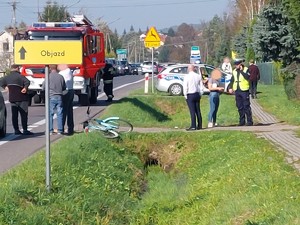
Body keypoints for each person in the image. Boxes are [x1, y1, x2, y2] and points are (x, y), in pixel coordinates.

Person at [0, 64, 33, 135]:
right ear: (17, 68)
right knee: (23, 114)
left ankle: (16, 130)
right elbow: (27, 82)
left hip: (12, 98)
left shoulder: (7, 77)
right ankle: (25, 130)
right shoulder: (20, 76)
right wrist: (25, 88)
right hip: (22, 98)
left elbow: (1, 82)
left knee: (14, 115)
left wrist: (5, 87)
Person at [228, 60, 253, 126]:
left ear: (240, 65)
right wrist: (230, 87)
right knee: (239, 107)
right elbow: (232, 80)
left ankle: (249, 121)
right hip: (237, 90)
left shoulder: (246, 70)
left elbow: (248, 77)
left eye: (237, 65)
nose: (236, 66)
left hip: (244, 90)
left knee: (246, 106)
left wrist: (241, 71)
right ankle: (242, 121)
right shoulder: (234, 71)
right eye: (235, 65)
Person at [42, 64, 66, 135]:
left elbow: (43, 87)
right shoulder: (61, 77)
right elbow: (64, 87)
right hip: (59, 96)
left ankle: (50, 130)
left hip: (51, 96)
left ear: (50, 69)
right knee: (60, 113)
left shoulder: (48, 77)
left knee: (50, 114)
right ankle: (60, 130)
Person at [183, 64, 203, 131]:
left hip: (190, 94)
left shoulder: (187, 77)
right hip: (197, 94)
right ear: (194, 69)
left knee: (192, 111)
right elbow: (201, 86)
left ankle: (193, 126)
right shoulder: (198, 76)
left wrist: (185, 95)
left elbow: (185, 86)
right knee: (198, 110)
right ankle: (200, 125)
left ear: (189, 69)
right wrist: (200, 94)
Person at [58, 64, 74, 135]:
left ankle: (61, 128)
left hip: (65, 92)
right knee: (69, 111)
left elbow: (60, 83)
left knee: (63, 111)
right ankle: (70, 128)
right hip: (71, 91)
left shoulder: (62, 73)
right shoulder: (69, 71)